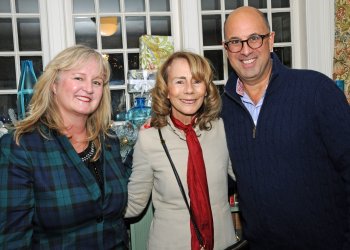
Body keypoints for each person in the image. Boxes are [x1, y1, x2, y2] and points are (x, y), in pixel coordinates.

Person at [221, 6, 350, 250]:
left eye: (254, 39)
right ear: (226, 49)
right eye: (235, 42)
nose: (246, 50)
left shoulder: (316, 91)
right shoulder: (222, 112)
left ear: (271, 41)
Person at [0, 45, 130, 249]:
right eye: (79, 78)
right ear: (53, 84)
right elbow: (12, 238)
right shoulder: (20, 146)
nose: (88, 88)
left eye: (96, 82)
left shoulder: (109, 141)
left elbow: (115, 223)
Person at [125, 51, 237, 249]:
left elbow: (247, 177)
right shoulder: (149, 138)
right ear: (166, 90)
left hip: (222, 244)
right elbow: (134, 205)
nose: (189, 90)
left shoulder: (222, 129)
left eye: (197, 81)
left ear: (206, 89)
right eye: (179, 81)